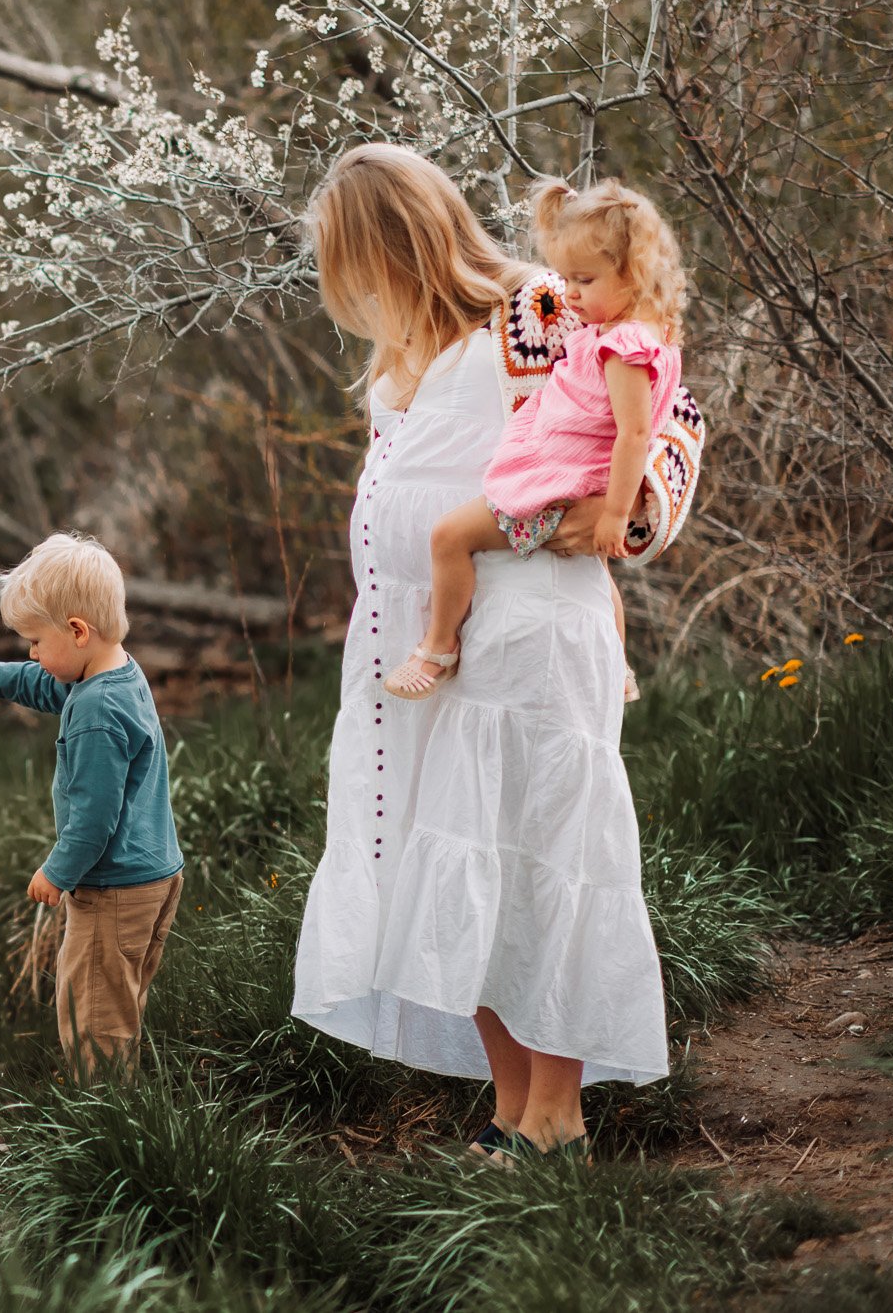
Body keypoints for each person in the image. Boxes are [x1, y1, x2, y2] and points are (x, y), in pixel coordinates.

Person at [287, 144, 700, 1163]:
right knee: (452, 866)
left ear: (393, 239)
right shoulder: (396, 352)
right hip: (417, 647)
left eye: (351, 259)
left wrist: (604, 520)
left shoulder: (535, 309)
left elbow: (669, 424)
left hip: (525, 636)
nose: (348, 287)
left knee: (538, 856)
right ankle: (513, 1108)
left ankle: (555, 1113)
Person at [384, 177, 688, 706]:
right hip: (567, 479)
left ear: (634, 272)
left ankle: (438, 646)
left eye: (584, 280)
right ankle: (617, 668)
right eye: (567, 278)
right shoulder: (630, 336)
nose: (569, 294)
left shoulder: (624, 348)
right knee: (600, 581)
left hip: (560, 486)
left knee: (449, 538)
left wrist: (617, 512)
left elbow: (637, 433)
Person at [0, 533, 183, 1073]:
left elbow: (95, 816)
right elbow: (51, 684)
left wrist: (58, 871)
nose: (32, 654)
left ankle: (106, 1128)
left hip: (111, 887)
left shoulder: (96, 713)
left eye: (35, 642)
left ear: (76, 630)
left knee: (93, 1020)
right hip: (154, 875)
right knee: (119, 1006)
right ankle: (126, 1108)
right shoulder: (116, 673)